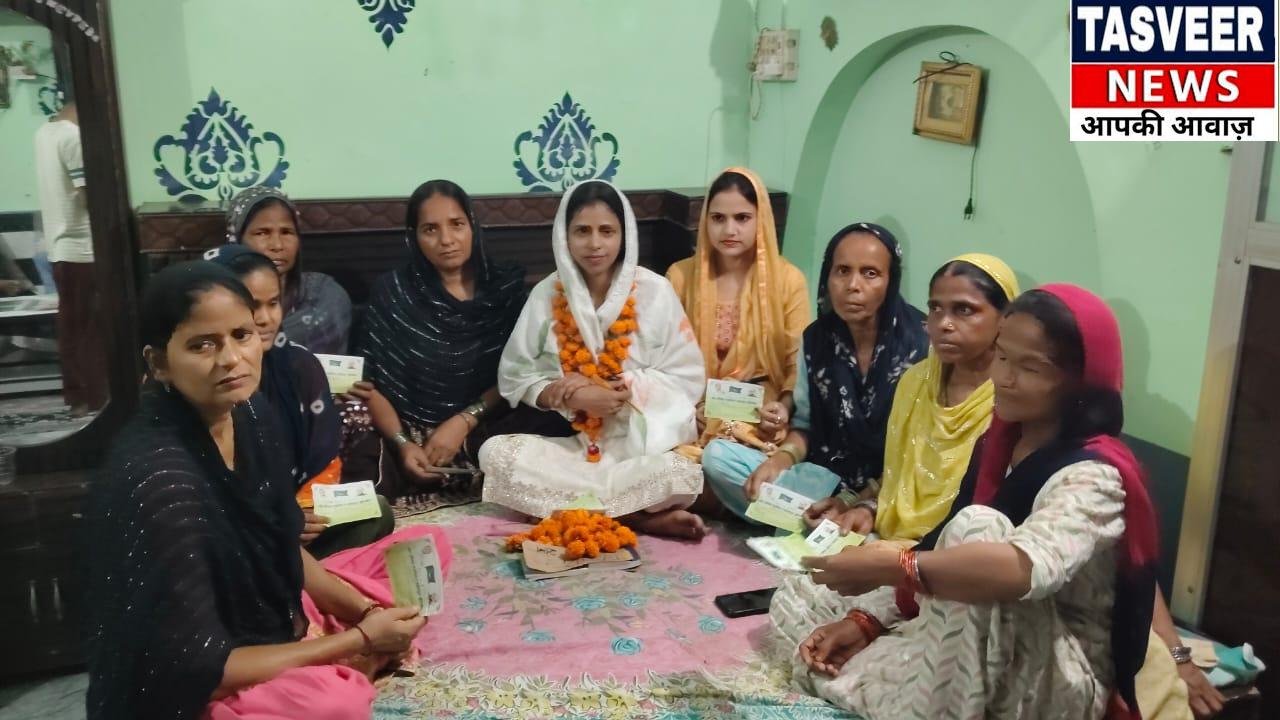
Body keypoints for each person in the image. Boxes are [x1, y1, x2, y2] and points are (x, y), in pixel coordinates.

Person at [771, 284, 1161, 720]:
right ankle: (907, 692)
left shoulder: (1094, 475)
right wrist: (866, 621)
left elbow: (1022, 569)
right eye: (1003, 357)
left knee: (978, 529)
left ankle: (919, 702)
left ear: (1081, 380)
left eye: (1030, 367)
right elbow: (936, 550)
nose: (1003, 378)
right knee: (798, 596)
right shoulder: (998, 445)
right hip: (971, 644)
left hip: (1052, 674)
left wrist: (896, 565)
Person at [83, 261, 449, 720]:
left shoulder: (250, 414)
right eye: (202, 344)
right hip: (198, 678)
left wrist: (363, 612)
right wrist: (360, 639)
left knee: (426, 547)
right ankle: (349, 664)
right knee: (334, 704)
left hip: (271, 614)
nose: (231, 359)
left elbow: (283, 545)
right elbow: (199, 668)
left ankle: (346, 655)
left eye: (242, 335)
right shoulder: (162, 481)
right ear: (159, 363)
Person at [479, 180, 708, 539]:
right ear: (564, 236)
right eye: (582, 231)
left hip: (639, 446)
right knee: (495, 454)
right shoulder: (547, 294)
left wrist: (621, 388)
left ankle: (575, 507)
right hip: (573, 444)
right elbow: (516, 375)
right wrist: (568, 395)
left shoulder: (656, 292)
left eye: (607, 231)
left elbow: (687, 376)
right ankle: (637, 517)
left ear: (624, 235)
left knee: (680, 473)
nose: (595, 243)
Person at [701, 223, 929, 519]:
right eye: (842, 271)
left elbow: (922, 450)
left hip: (891, 489)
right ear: (827, 276)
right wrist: (780, 460)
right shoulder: (817, 341)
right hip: (826, 480)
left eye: (870, 273)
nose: (853, 285)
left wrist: (862, 502)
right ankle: (816, 523)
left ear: (891, 280)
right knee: (718, 458)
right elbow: (805, 426)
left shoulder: (921, 345)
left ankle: (819, 523)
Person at [356, 180, 568, 491]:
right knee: (355, 448)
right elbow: (368, 383)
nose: (446, 240)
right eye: (430, 229)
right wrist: (403, 443)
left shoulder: (504, 291)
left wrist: (464, 421)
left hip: (486, 425)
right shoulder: (393, 293)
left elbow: (522, 372)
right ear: (413, 237)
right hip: (409, 434)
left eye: (456, 224)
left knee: (555, 419)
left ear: (473, 226)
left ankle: (477, 471)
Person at [804, 254, 1018, 540]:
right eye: (935, 308)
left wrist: (908, 558)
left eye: (964, 310)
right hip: (887, 538)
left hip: (958, 553)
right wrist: (864, 507)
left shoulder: (1010, 401)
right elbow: (897, 475)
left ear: (1005, 319)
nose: (944, 324)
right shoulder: (916, 382)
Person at [204, 244, 394, 557]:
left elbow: (321, 459)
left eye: (274, 303)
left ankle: (298, 566)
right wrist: (279, 518)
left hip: (298, 514)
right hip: (239, 526)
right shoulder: (211, 376)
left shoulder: (299, 366)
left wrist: (303, 509)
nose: (265, 318)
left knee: (377, 511)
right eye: (252, 305)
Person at [666, 167, 810, 447]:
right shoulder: (681, 277)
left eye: (742, 218)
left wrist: (782, 408)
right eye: (718, 218)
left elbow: (797, 363)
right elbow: (665, 360)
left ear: (761, 219)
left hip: (761, 416)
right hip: (692, 412)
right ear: (705, 220)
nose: (729, 230)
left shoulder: (788, 281)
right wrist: (688, 408)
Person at [35, 98, 107, 415]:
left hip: (60, 246)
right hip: (82, 247)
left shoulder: (44, 132)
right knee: (91, 329)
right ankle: (93, 398)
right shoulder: (73, 137)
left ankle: (79, 397)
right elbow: (89, 196)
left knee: (73, 327)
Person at [226, 186, 352, 354]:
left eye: (286, 232)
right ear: (237, 240)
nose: (277, 245)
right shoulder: (220, 300)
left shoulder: (325, 296)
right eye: (262, 233)